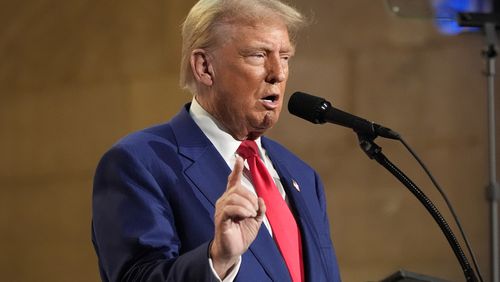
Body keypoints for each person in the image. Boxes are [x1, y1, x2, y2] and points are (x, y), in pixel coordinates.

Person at [91, 0, 341, 281]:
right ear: (205, 67)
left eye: (285, 57)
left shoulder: (303, 176)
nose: (278, 73)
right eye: (258, 55)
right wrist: (217, 260)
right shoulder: (139, 163)